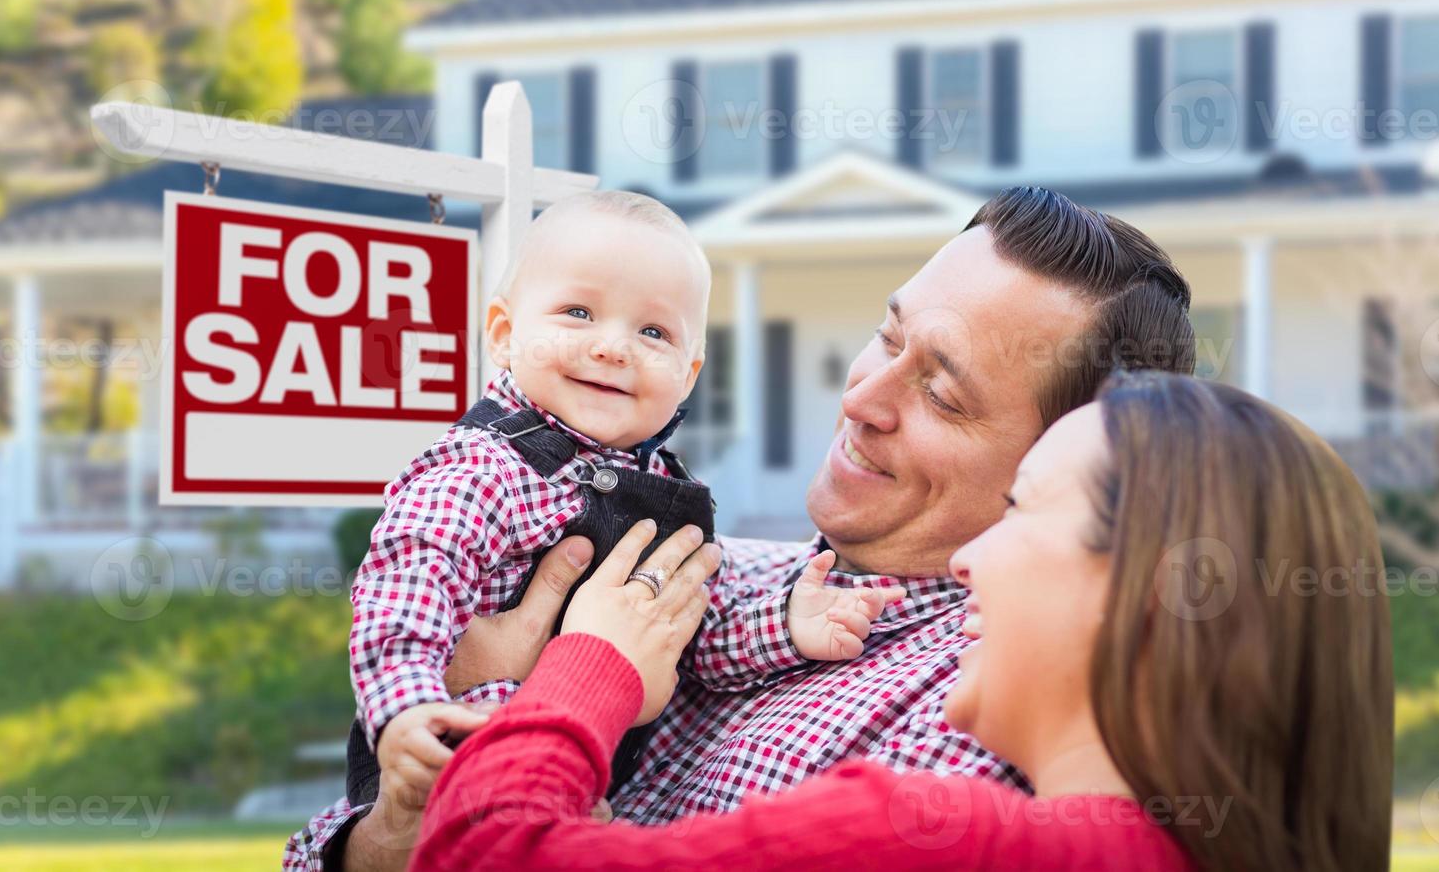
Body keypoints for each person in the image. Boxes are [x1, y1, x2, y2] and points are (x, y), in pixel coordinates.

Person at [284, 187, 1197, 870]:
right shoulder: (724, 574)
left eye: (942, 395)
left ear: (1072, 456)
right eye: (887, 339)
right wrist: (390, 824)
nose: (862, 397)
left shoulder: (977, 719)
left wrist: (574, 673)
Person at [412, 372, 1395, 872]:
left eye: (1019, 509)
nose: (968, 560)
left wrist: (586, 662)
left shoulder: (925, 836)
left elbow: (482, 853)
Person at [333, 191, 902, 828]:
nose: (613, 347)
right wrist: (405, 708)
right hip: (453, 755)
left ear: (688, 375)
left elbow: (688, 643)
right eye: (578, 312)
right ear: (503, 334)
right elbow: (406, 585)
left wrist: (785, 623)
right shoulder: (483, 468)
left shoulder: (666, 492)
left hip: (577, 787)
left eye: (652, 331)